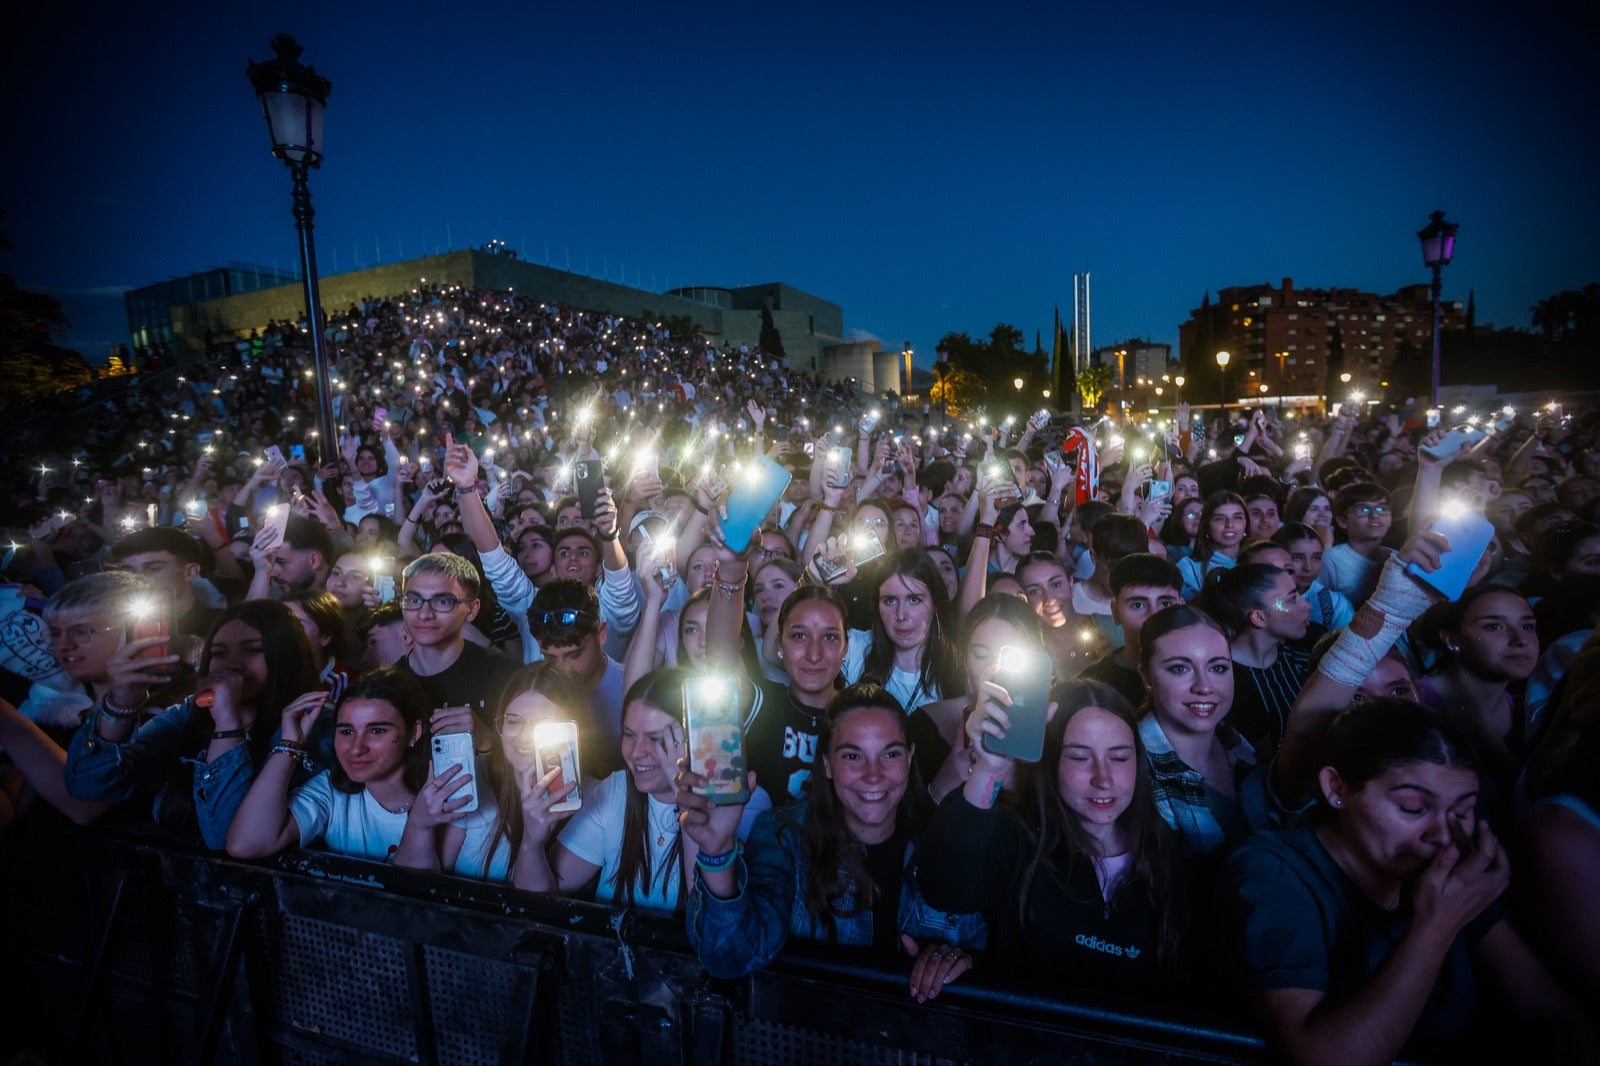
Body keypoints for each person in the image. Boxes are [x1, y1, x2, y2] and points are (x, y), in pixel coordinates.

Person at [1225, 699, 1592, 1063]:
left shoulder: (1451, 869)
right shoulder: (1273, 872)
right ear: (1336, 788)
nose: (1442, 834)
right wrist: (1436, 924)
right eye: (1413, 809)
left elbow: (1546, 1009)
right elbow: (1326, 1057)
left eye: (1462, 811)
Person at [681, 683, 984, 1002]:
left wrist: (958, 964)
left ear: (909, 758)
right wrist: (716, 851)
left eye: (890, 754)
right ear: (826, 763)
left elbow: (985, 955)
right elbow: (729, 958)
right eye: (853, 756)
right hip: (813, 1046)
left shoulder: (946, 839)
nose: (873, 774)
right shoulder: (784, 838)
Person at [917, 680, 1186, 992]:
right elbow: (945, 889)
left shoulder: (1164, 850)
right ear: (1052, 760)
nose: (1103, 778)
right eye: (1079, 757)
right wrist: (990, 766)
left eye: (1119, 757)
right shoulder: (1020, 838)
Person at [63, 600, 322, 849]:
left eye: (253, 649)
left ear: (286, 655)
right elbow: (88, 786)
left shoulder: (315, 724)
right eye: (219, 653)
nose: (232, 664)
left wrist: (227, 722)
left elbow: (225, 836)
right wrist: (121, 703)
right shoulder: (189, 713)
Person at [514, 668, 769, 912]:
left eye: (656, 739)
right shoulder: (615, 790)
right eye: (629, 735)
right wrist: (531, 843)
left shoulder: (742, 801)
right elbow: (542, 900)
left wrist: (685, 792)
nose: (636, 753)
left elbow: (707, 916)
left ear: (695, 737)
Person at [226, 669, 438, 865]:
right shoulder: (331, 790)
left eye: (377, 731)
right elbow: (245, 844)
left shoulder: (446, 791)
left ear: (414, 733)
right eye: (347, 732)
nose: (357, 748)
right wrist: (290, 743)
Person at [1135, 604, 1273, 860]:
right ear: (1146, 676)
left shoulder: (1238, 745)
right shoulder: (1132, 770)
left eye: (1218, 667)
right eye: (1180, 668)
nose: (1204, 686)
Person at [393, 552, 518, 747]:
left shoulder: (505, 675)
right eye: (414, 600)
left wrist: (487, 741)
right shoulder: (389, 685)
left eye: (442, 602)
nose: (424, 614)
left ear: (472, 610)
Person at [1200, 562, 1311, 754]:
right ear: (1258, 617)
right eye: (1292, 599)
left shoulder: (1303, 662)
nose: (1307, 606)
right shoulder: (1218, 681)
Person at [1081, 554, 1185, 708]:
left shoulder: (1205, 673)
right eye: (1138, 605)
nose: (1153, 616)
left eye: (1165, 604)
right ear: (1115, 612)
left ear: (1182, 607)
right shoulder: (1093, 687)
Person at [1320, 482, 1396, 606]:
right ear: (1342, 521)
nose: (1375, 515)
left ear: (1390, 519)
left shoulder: (1395, 558)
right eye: (1364, 509)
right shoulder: (1331, 561)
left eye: (1382, 509)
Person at [1274, 521, 1354, 632]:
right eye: (1297, 558)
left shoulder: (1335, 604)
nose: (1308, 567)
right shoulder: (1262, 598)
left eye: (1316, 557)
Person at [1177, 491, 1248, 600]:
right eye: (1220, 518)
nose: (1229, 524)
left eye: (1237, 517)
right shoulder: (1188, 568)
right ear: (1206, 525)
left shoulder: (1257, 560)